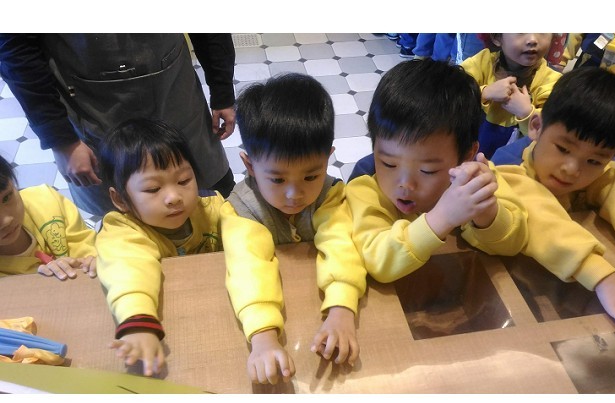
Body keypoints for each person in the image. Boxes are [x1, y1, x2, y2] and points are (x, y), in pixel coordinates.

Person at [221, 73, 367, 385]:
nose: (294, 194)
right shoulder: (241, 209)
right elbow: (248, 268)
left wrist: (342, 308)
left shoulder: (331, 195)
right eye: (277, 179)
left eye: (311, 176)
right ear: (249, 165)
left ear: (328, 159)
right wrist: (263, 337)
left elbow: (341, 245)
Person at [0, 33, 236, 217]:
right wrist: (60, 138)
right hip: (92, 104)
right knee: (124, 222)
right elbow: (16, 50)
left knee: (214, 199)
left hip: (173, 88)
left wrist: (222, 91)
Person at [346, 59, 528, 286]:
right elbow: (376, 261)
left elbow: (514, 244)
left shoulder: (475, 180)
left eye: (427, 170)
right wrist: (443, 216)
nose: (405, 184)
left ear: (467, 155)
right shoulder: (365, 190)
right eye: (388, 164)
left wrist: (486, 212)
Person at [494, 67, 615, 340]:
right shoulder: (507, 168)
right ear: (536, 127)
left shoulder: (603, 171)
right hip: (516, 297)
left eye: (594, 160)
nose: (572, 169)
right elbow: (540, 217)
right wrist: (605, 278)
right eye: (563, 149)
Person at [95, 118, 226, 376]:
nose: (174, 197)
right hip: (169, 325)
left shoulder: (212, 209)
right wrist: (138, 321)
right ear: (120, 199)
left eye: (184, 180)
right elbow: (128, 271)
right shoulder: (122, 231)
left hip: (213, 317)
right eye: (153, 188)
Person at [461, 33, 562, 158]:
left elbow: (553, 134)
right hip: (467, 154)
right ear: (497, 37)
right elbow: (451, 95)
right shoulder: (481, 63)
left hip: (513, 164)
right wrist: (484, 92)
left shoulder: (552, 82)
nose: (532, 40)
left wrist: (527, 113)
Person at [0, 155, 96, 279]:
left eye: (6, 198)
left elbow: (88, 249)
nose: (6, 220)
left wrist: (89, 262)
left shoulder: (47, 200)